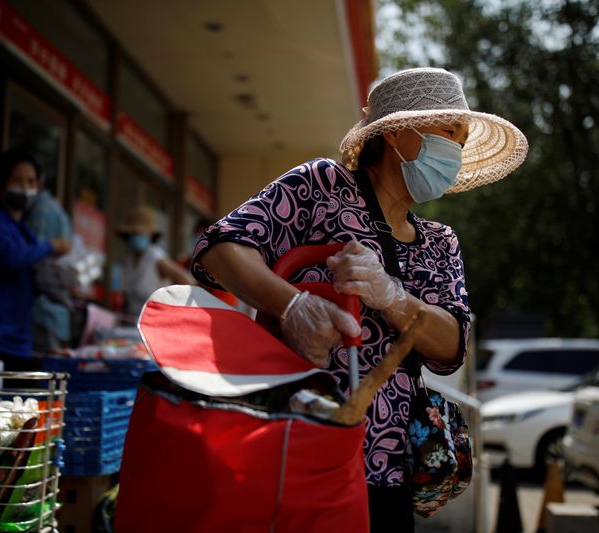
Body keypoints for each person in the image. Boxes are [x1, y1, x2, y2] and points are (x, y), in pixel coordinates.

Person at [191, 67, 528, 531]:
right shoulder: (321, 186)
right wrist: (292, 305)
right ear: (396, 133)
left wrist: (392, 296)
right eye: (450, 131)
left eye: (463, 137)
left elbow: (451, 348)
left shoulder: (439, 242)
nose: (457, 147)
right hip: (297, 447)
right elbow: (221, 248)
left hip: (389, 466)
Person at [0, 149, 70, 370]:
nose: (25, 187)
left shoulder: (24, 230)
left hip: (19, 339)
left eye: (31, 181)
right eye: (18, 180)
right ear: (1, 183)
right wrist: (52, 245)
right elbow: (11, 257)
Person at [117, 205, 196, 323]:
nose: (135, 237)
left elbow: (188, 281)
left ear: (150, 235)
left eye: (139, 233)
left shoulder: (156, 257)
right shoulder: (128, 261)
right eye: (132, 234)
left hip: (156, 322)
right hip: (132, 322)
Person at [25, 181, 75, 351]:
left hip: (44, 308)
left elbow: (33, 258)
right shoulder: (57, 211)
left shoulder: (42, 210)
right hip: (56, 309)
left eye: (29, 181)